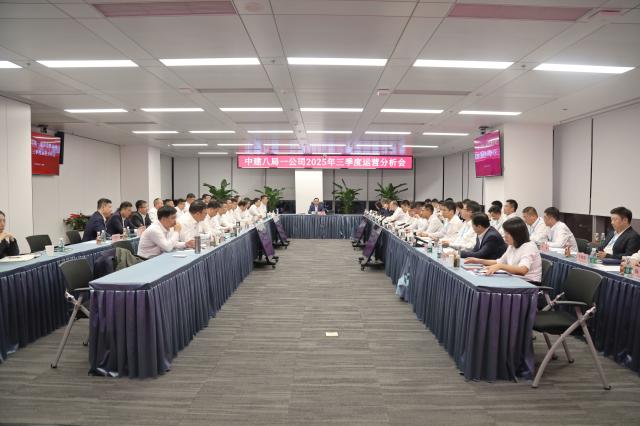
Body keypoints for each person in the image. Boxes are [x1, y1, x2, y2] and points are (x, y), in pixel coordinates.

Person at [465, 217, 542, 282]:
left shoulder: (529, 247)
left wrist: (500, 266)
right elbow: (499, 261)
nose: (505, 236)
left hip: (528, 284)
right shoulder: (512, 245)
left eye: (507, 233)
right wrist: (478, 261)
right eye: (505, 233)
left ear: (517, 234)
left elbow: (523, 270)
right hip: (515, 280)